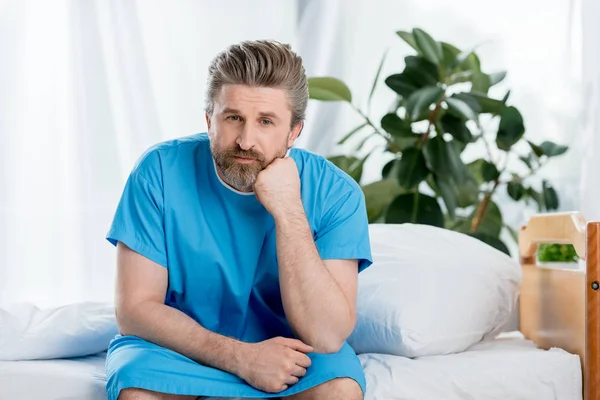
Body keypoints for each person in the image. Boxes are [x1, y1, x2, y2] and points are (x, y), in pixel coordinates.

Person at [105, 39, 372, 400]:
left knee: (340, 390)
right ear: (209, 121)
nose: (246, 140)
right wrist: (240, 357)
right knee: (137, 392)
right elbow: (135, 309)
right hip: (180, 348)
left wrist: (290, 211)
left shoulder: (336, 193)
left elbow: (326, 335)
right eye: (233, 118)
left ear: (294, 131)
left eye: (266, 122)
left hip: (290, 354)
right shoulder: (159, 172)